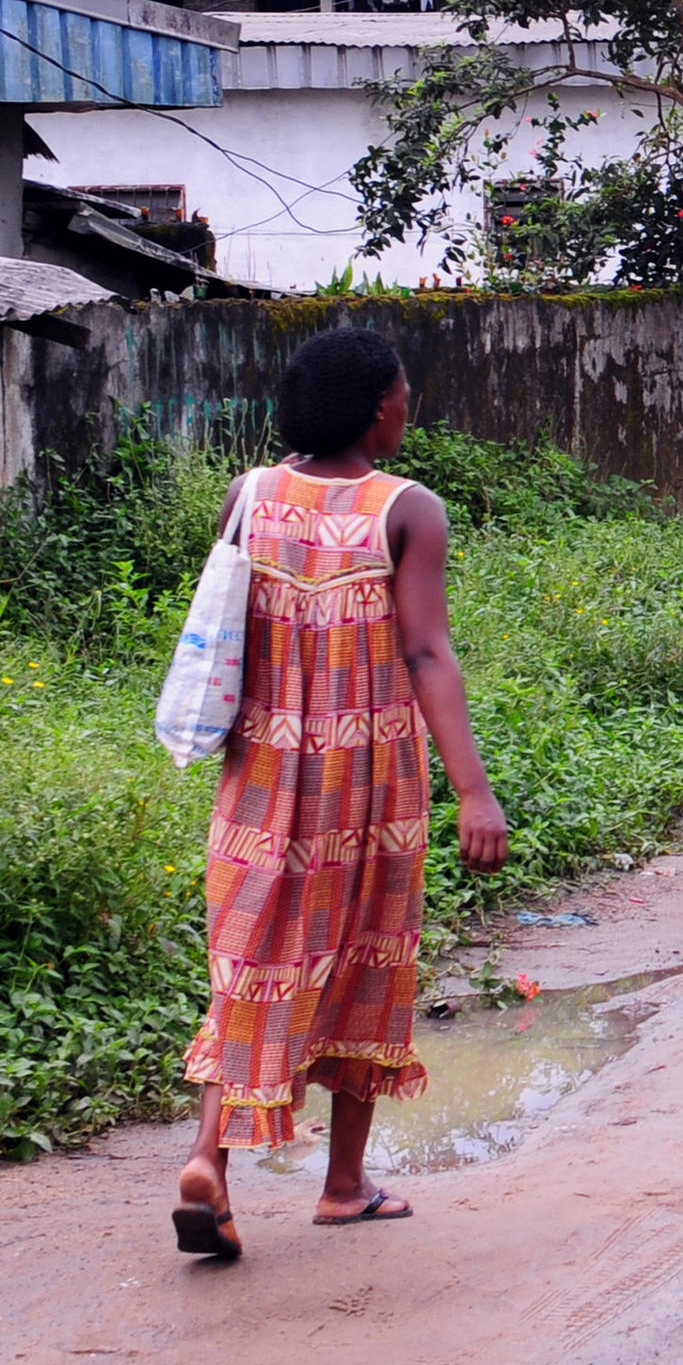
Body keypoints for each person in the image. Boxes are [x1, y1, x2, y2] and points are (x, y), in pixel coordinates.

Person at [172, 328, 510, 1263]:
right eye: (404, 392)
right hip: (368, 783)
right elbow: (427, 651)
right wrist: (474, 791)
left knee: (249, 964)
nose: (409, 404)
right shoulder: (409, 510)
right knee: (367, 956)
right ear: (377, 409)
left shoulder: (249, 494)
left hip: (260, 779)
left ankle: (210, 1159)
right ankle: (344, 1184)